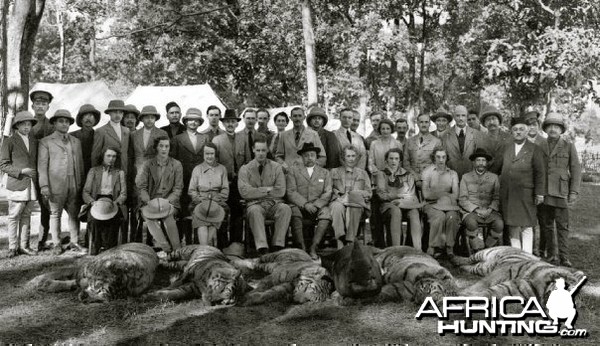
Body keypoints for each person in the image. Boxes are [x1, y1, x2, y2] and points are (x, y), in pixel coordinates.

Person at [38, 109, 86, 255]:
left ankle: (74, 241)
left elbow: (81, 164)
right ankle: (57, 243)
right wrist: (44, 185)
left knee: (74, 213)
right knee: (55, 214)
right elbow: (42, 165)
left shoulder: (76, 141)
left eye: (67, 121)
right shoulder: (46, 141)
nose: (64, 124)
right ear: (54, 123)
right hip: (55, 184)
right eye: (61, 121)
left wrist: (81, 184)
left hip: (74, 182)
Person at [538, 113, 581, 267]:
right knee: (547, 225)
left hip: (561, 192)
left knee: (562, 226)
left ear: (561, 129)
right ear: (546, 129)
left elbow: (576, 169)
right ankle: (551, 255)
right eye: (550, 126)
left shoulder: (568, 145)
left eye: (556, 126)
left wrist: (574, 191)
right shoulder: (540, 145)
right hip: (544, 192)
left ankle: (564, 256)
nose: (553, 129)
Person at [498, 117, 546, 254]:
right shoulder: (506, 148)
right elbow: (498, 167)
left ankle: (527, 255)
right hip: (509, 193)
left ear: (526, 131)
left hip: (526, 194)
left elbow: (540, 173)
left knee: (527, 226)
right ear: (511, 132)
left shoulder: (534, 149)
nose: (518, 132)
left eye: (521, 129)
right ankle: (516, 256)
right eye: (515, 130)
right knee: (512, 225)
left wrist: (540, 193)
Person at [238, 138, 291, 255]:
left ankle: (278, 245)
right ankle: (262, 248)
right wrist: (267, 189)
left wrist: (256, 191)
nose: (261, 153)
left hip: (274, 204)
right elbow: (244, 192)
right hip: (255, 205)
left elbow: (281, 191)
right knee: (254, 211)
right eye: (258, 150)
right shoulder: (245, 169)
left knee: (285, 209)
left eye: (263, 150)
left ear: (267, 150)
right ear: (253, 150)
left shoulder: (276, 167)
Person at [0, 111, 38, 257]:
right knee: (14, 215)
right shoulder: (9, 141)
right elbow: (3, 165)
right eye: (23, 124)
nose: (27, 127)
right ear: (17, 126)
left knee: (26, 215)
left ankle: (24, 245)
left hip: (30, 185)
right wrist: (22, 171)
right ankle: (12, 247)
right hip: (17, 183)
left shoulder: (34, 141)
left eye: (29, 124)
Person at [136, 136, 183, 253]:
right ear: (156, 148)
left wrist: (166, 201)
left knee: (168, 217)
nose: (164, 149)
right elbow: (142, 187)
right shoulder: (147, 164)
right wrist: (149, 201)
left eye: (167, 146)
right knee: (148, 216)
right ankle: (166, 248)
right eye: (161, 146)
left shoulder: (176, 165)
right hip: (150, 200)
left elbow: (178, 188)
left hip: (169, 200)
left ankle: (177, 250)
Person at [286, 142, 332, 257]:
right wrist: (305, 204)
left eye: (312, 155)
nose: (309, 158)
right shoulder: (293, 171)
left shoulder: (325, 173)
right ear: (301, 157)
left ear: (316, 156)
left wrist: (316, 205)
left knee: (326, 213)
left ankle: (313, 247)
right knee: (293, 211)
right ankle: (302, 247)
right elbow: (291, 191)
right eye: (306, 155)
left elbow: (328, 192)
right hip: (300, 206)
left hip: (317, 207)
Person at [212, 109, 250, 246]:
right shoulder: (217, 140)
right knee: (221, 211)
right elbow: (214, 162)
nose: (230, 124)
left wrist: (243, 175)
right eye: (227, 121)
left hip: (239, 182)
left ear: (237, 124)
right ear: (223, 123)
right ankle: (222, 243)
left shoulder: (243, 138)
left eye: (233, 121)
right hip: (223, 182)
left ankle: (236, 243)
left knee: (238, 212)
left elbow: (248, 161)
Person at [171, 108, 208, 244]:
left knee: (198, 208)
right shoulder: (177, 139)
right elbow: (173, 162)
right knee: (184, 211)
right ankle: (184, 240)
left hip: (200, 180)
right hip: (184, 179)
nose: (193, 122)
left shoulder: (205, 138)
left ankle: (199, 242)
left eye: (196, 120)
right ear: (185, 122)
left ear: (199, 122)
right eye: (190, 120)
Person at [81, 147, 127, 255]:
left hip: (113, 200)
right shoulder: (94, 171)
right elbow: (86, 192)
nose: (111, 159)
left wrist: (116, 202)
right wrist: (92, 202)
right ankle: (95, 246)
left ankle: (109, 247)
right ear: (103, 156)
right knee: (94, 220)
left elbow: (123, 193)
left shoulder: (119, 173)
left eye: (114, 156)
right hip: (96, 200)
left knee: (113, 220)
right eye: (108, 156)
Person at [376, 148, 423, 249]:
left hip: (406, 204)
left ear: (400, 161)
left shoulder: (407, 175)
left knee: (414, 212)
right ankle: (395, 249)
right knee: (396, 211)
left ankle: (416, 249)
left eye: (396, 158)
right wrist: (397, 196)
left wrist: (401, 200)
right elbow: (382, 194)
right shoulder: (381, 174)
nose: (393, 161)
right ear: (386, 160)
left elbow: (412, 196)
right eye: (391, 158)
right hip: (388, 206)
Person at [458, 148, 503, 251]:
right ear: (473, 163)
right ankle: (476, 250)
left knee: (499, 224)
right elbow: (463, 199)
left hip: (489, 211)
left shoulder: (494, 177)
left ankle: (487, 247)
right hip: (472, 212)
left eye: (483, 161)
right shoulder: (466, 177)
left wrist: (490, 210)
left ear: (487, 163)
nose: (481, 163)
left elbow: (497, 198)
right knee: (471, 223)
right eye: (478, 160)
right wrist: (476, 209)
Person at [329, 145, 372, 251]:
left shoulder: (363, 173)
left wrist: (352, 195)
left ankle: (350, 241)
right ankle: (340, 239)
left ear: (357, 158)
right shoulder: (334, 172)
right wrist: (339, 195)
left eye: (353, 156)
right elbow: (329, 189)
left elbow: (368, 193)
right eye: (348, 156)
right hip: (338, 200)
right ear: (343, 157)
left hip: (356, 203)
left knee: (354, 207)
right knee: (336, 207)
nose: (351, 159)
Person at [188, 143, 229, 246]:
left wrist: (217, 199)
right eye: (207, 154)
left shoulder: (222, 169)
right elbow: (192, 190)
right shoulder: (197, 169)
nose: (209, 156)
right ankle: (206, 249)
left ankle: (205, 249)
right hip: (200, 202)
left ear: (215, 154)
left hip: (217, 202)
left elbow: (225, 190)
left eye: (212, 153)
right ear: (203, 154)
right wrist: (200, 199)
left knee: (214, 216)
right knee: (202, 220)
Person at [422, 147, 460, 258]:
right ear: (434, 158)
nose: (441, 160)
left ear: (447, 158)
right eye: (438, 157)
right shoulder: (428, 172)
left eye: (443, 157)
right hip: (431, 205)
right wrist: (445, 195)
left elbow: (456, 195)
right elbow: (426, 195)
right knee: (439, 216)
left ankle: (449, 248)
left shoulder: (453, 174)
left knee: (452, 217)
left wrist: (439, 195)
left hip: (449, 206)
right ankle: (433, 247)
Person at [29, 89, 54, 251]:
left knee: (45, 206)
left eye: (43, 104)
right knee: (23, 207)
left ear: (48, 107)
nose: (40, 107)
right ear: (32, 105)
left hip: (44, 172)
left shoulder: (52, 126)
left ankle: (41, 240)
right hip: (27, 171)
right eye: (37, 103)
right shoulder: (24, 123)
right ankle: (20, 242)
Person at [441, 105, 487, 179]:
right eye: (458, 116)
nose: (460, 118)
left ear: (466, 117)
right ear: (454, 117)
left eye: (463, 115)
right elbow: (443, 158)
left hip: (472, 177)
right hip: (451, 177)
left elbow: (480, 158)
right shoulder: (445, 135)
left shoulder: (476, 134)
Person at [276, 107, 326, 171]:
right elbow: (278, 156)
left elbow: (322, 157)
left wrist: (311, 168)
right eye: (295, 116)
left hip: (307, 176)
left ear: (304, 117)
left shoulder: (313, 134)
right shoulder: (284, 135)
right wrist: (284, 166)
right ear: (290, 118)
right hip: (288, 174)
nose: (297, 119)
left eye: (300, 116)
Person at [92, 99, 131, 177]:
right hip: (107, 172)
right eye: (115, 112)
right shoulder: (101, 131)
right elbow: (95, 155)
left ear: (123, 114)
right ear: (109, 113)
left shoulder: (126, 131)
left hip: (123, 171)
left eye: (120, 112)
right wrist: (96, 174)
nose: (118, 115)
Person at [403, 114, 442, 188]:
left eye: (426, 122)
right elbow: (406, 162)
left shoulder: (436, 142)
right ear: (417, 123)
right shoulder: (409, 141)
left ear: (430, 124)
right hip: (411, 181)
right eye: (421, 122)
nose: (424, 125)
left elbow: (437, 163)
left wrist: (424, 178)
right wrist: (416, 178)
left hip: (429, 181)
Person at [131, 105, 169, 175]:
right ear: (142, 119)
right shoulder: (134, 134)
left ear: (155, 119)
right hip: (138, 171)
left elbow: (165, 154)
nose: (149, 120)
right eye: (147, 117)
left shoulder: (162, 133)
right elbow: (131, 154)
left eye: (152, 117)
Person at [479, 105, 511, 174]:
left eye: (493, 119)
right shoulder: (480, 140)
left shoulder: (509, 138)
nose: (491, 122)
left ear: (499, 121)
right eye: (488, 120)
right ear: (484, 123)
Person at [70, 104, 101, 176]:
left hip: (94, 173)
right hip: (76, 173)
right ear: (81, 119)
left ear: (95, 119)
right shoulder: (72, 136)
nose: (88, 118)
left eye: (91, 115)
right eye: (85, 115)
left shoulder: (99, 136)